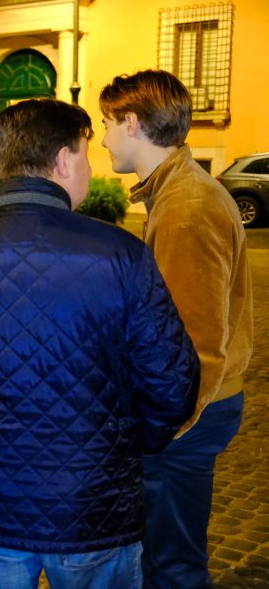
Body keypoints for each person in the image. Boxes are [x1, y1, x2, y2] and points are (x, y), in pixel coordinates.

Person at [0, 99, 200, 589]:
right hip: (94, 504)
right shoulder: (121, 254)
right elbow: (172, 383)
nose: (91, 169)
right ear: (61, 160)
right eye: (84, 155)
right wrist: (133, 443)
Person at [99, 70, 252, 588]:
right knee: (161, 558)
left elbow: (198, 343)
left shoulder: (186, 207)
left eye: (107, 123)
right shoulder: (175, 194)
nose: (101, 138)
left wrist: (166, 429)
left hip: (186, 415)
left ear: (133, 123)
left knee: (174, 567)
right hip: (185, 409)